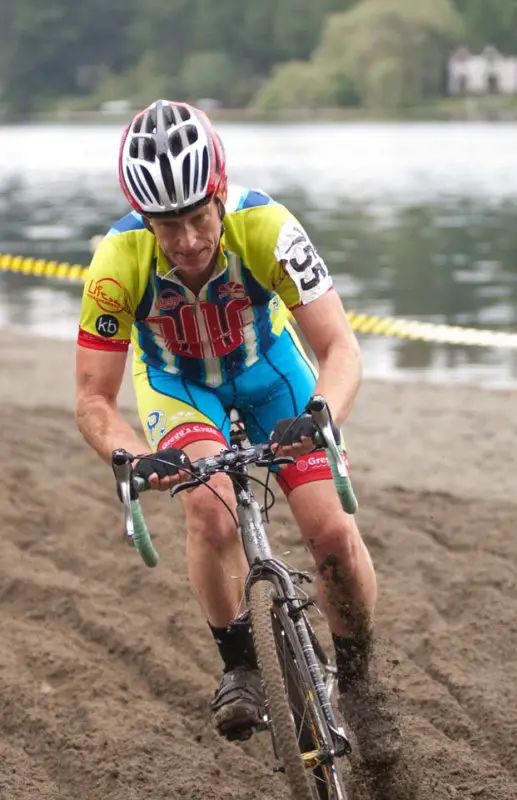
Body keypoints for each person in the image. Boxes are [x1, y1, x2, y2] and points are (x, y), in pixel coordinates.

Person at [75, 99, 401, 765]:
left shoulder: (268, 227)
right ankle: (240, 664)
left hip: (268, 375)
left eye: (198, 218)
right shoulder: (115, 262)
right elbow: (93, 399)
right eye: (169, 227)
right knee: (209, 507)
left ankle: (361, 688)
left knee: (333, 535)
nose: (189, 241)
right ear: (144, 219)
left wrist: (319, 417)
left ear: (219, 193)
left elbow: (340, 348)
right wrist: (134, 457)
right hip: (179, 387)